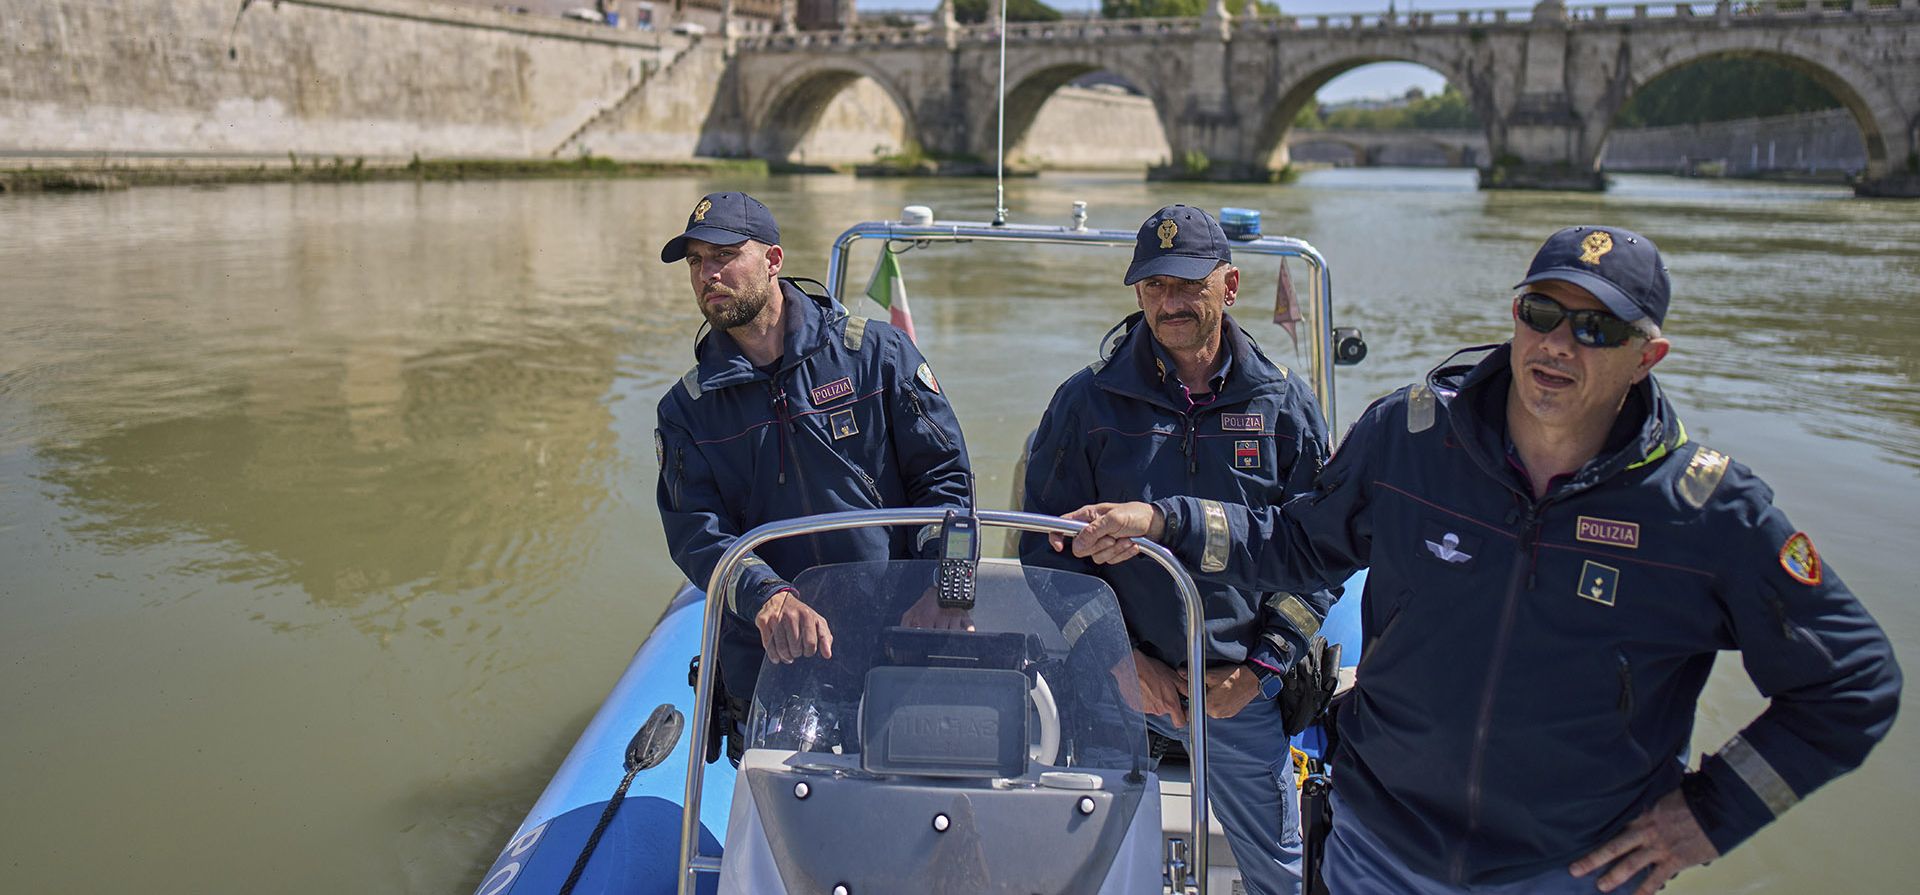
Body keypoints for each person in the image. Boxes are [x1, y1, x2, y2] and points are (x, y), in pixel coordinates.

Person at [1059, 226, 1902, 894]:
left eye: (1595, 327)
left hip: (1568, 870)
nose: (1558, 345)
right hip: (1378, 848)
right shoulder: (1411, 438)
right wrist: (1160, 520)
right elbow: (1293, 541)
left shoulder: (1704, 512)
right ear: (1514, 314)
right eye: (1542, 312)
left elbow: (1853, 683)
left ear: (1649, 354)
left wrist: (1711, 815)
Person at [1021, 205, 1334, 895]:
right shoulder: (1085, 404)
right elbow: (1043, 554)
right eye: (1155, 286)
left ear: (1229, 285)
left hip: (1233, 686)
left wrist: (1260, 669)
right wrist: (1115, 658)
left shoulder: (1285, 407)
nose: (1171, 302)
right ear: (1136, 293)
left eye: (1189, 284)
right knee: (1084, 870)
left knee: (1283, 874)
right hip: (1110, 682)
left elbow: (1322, 557)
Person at [653, 191, 973, 758]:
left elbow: (945, 481)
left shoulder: (877, 356)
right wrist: (766, 597)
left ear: (773, 260)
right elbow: (698, 537)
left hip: (896, 640)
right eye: (697, 261)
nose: (709, 274)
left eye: (725, 254)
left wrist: (945, 588)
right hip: (774, 659)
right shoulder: (687, 410)